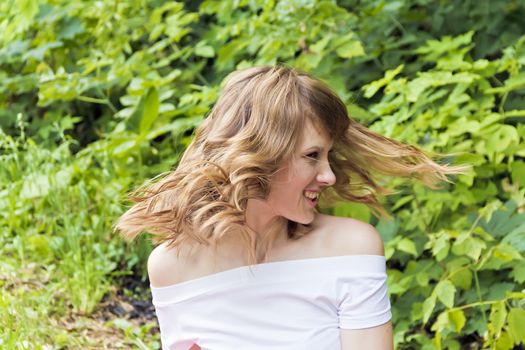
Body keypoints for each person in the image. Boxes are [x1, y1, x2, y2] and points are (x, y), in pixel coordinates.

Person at [115, 65, 464, 350]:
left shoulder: (349, 247)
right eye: (312, 156)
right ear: (260, 155)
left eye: (327, 156)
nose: (328, 175)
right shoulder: (172, 266)